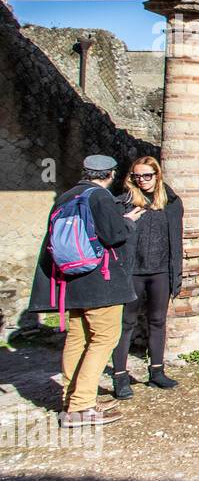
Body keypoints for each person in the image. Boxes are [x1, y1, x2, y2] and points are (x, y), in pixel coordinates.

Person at [29, 155, 144, 428]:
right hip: (100, 282)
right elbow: (115, 235)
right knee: (105, 338)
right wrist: (128, 220)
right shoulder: (100, 197)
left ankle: (73, 396)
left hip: (71, 282)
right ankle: (81, 407)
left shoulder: (66, 197)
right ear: (111, 174)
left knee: (78, 338)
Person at [110, 156, 184, 397]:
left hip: (161, 271)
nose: (142, 180)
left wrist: (177, 272)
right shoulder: (123, 204)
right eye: (137, 176)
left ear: (157, 175)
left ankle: (157, 372)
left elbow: (176, 238)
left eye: (147, 175)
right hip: (132, 272)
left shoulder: (171, 203)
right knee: (126, 324)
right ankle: (120, 377)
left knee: (158, 321)